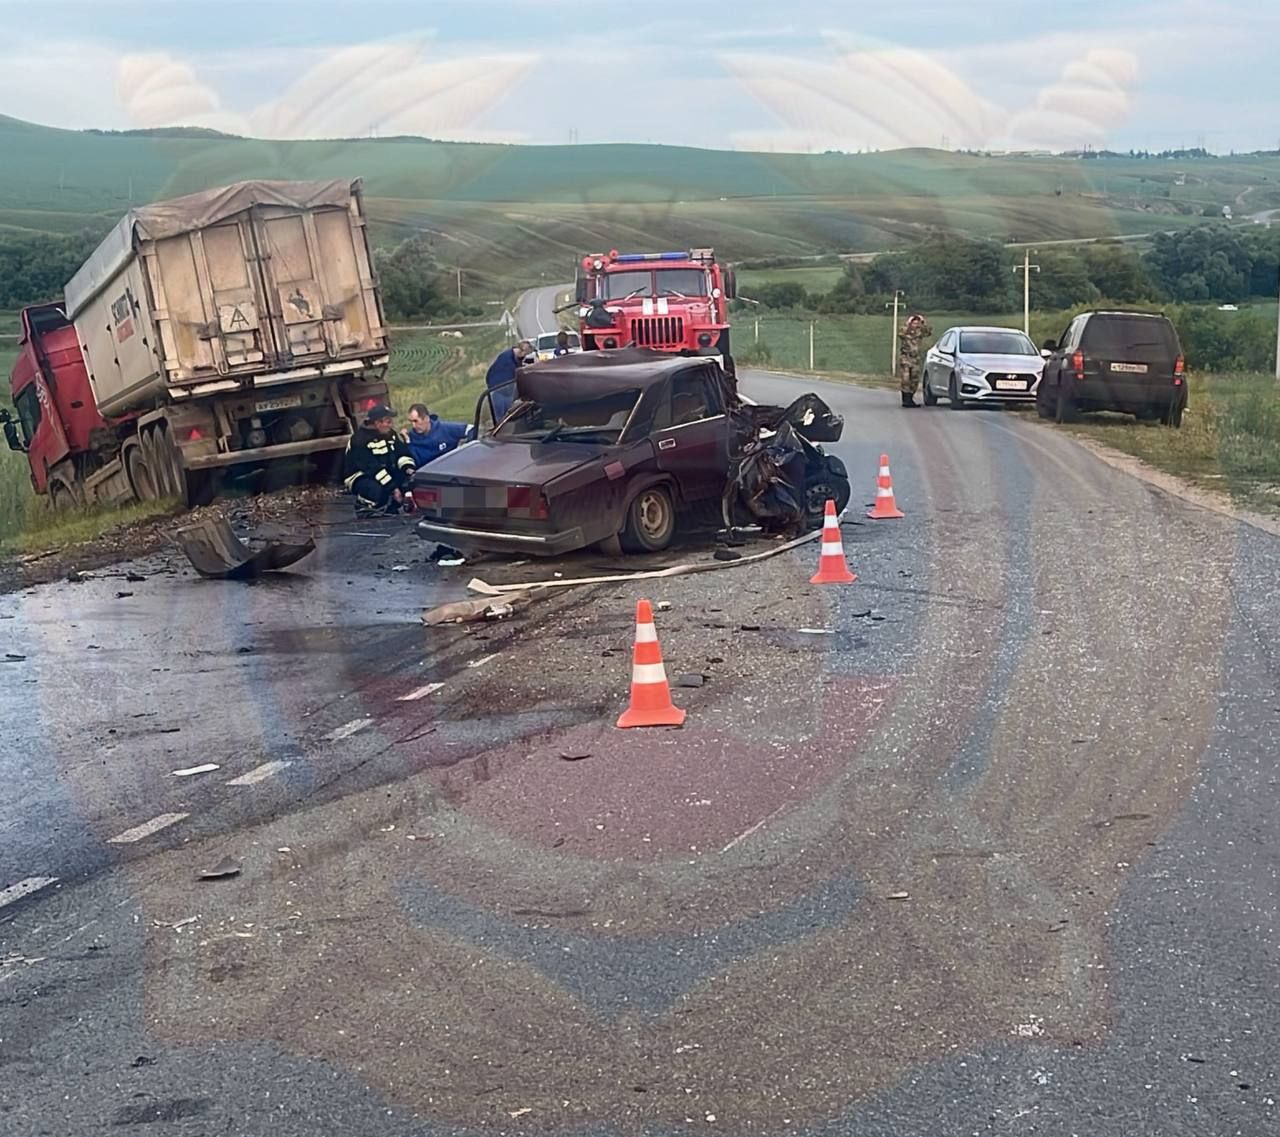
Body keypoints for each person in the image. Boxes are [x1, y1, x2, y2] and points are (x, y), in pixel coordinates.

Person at [342, 403, 416, 517]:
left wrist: (408, 469)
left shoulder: (390, 434)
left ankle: (395, 505)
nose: (391, 424)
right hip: (361, 475)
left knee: (408, 482)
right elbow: (372, 468)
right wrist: (393, 488)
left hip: (384, 471)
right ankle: (364, 505)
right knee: (377, 489)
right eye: (388, 421)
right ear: (377, 423)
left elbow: (402, 453)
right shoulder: (359, 440)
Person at [404, 403, 472, 467]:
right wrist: (407, 442)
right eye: (411, 422)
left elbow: (470, 429)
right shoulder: (411, 439)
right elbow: (414, 463)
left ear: (427, 418)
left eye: (416, 421)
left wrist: (467, 448)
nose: (413, 426)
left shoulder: (444, 428)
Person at [484, 340, 532, 425]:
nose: (525, 357)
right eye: (526, 354)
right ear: (521, 351)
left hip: (505, 391)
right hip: (499, 390)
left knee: (509, 415)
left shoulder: (513, 357)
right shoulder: (506, 360)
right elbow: (514, 375)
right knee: (502, 418)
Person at [898, 313, 933, 408]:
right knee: (906, 379)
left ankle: (910, 398)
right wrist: (908, 323)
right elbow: (900, 333)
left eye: (917, 323)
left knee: (914, 380)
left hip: (915, 359)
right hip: (906, 357)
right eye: (914, 323)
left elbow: (928, 332)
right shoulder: (905, 331)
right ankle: (906, 399)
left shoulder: (919, 332)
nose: (915, 325)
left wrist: (923, 322)